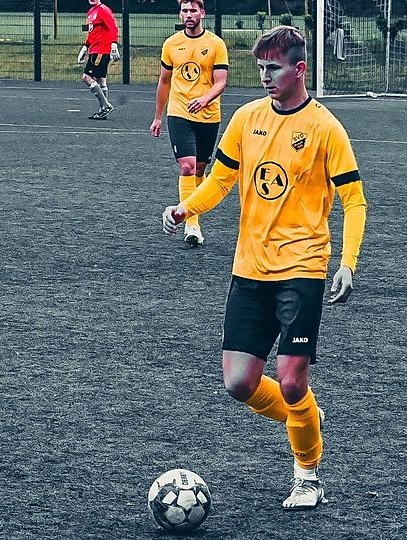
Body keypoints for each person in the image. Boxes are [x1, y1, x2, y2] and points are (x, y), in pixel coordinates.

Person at [161, 26, 368, 510]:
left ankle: (307, 476)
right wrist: (186, 208)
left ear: (300, 70)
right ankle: (306, 418)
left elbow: (354, 201)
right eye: (260, 68)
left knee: (292, 379)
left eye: (273, 68)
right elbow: (220, 180)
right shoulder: (246, 118)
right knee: (239, 382)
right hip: (250, 268)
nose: (265, 77)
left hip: (302, 267)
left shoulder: (326, 128)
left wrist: (348, 263)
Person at [149, 0, 228, 247]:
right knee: (187, 167)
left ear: (202, 13)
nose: (189, 14)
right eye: (185, 10)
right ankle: (191, 224)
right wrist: (158, 116)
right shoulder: (171, 44)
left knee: (200, 171)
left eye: (193, 10)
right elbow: (164, 81)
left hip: (208, 115)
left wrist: (204, 100)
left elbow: (221, 81)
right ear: (180, 14)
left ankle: (192, 213)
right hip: (179, 113)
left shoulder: (216, 44)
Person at [77, 0, 120, 120]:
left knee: (87, 77)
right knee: (101, 80)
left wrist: (114, 44)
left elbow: (113, 27)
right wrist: (85, 48)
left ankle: (106, 105)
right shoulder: (91, 12)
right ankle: (102, 111)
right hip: (94, 49)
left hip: (101, 50)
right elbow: (92, 33)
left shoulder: (104, 10)